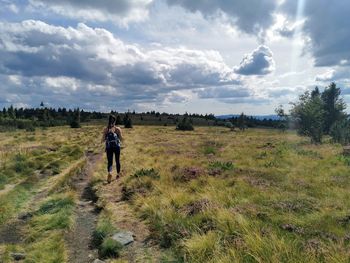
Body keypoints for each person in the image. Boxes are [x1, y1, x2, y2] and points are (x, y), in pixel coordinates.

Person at [101, 114, 123, 183]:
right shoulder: (118, 129)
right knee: (117, 160)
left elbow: (103, 140)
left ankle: (110, 172)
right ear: (115, 121)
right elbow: (121, 138)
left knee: (110, 162)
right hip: (117, 147)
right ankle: (118, 174)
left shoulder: (106, 129)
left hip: (109, 147)